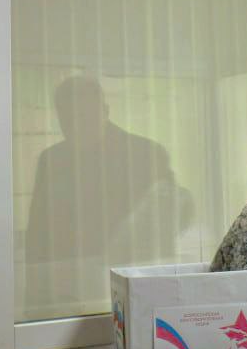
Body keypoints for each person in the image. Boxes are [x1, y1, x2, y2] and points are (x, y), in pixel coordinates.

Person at [25, 76, 192, 304]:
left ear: (105, 111)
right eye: (68, 119)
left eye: (84, 116)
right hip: (69, 293)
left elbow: (171, 221)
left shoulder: (146, 155)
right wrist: (34, 297)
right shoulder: (52, 161)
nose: (76, 126)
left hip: (134, 288)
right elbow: (37, 233)